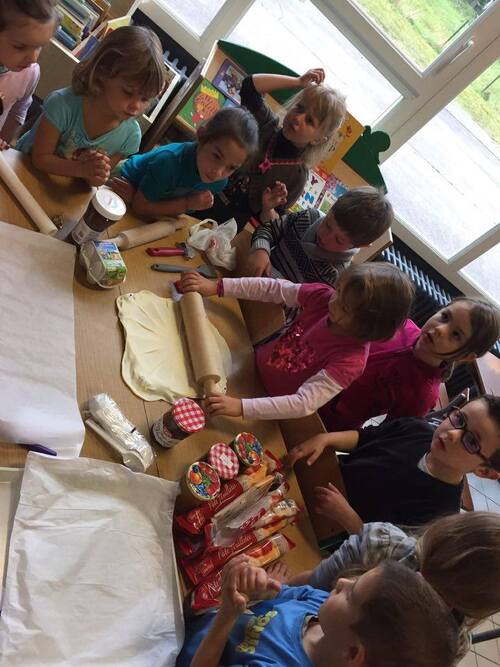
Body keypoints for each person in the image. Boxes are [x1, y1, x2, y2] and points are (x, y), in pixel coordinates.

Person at [179, 262, 414, 420]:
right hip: (246, 367)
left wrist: (240, 407)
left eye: (344, 306)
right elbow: (273, 289)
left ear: (368, 327)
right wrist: (217, 287)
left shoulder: (350, 360)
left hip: (263, 405)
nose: (334, 300)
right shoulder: (324, 297)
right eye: (339, 290)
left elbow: (303, 403)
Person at [270, 512, 500, 661]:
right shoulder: (384, 544)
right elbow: (308, 587)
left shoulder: (445, 649)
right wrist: (277, 589)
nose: (343, 581)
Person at [176, 556, 459, 667]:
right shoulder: (321, 609)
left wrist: (227, 617)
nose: (341, 582)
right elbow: (282, 596)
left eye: (352, 594)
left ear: (352, 654)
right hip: (191, 617)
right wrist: (260, 590)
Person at [287, 395, 500, 527]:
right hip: (316, 482)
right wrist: (326, 438)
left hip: (328, 530)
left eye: (471, 441)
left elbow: (387, 553)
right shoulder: (417, 428)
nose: (453, 434)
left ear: (485, 471)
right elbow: (365, 437)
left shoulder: (440, 512)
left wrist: (347, 517)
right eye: (460, 419)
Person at [197, 68, 347, 232]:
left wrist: (268, 208)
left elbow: (273, 224)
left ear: (319, 139)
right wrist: (297, 82)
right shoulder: (265, 123)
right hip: (199, 193)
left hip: (225, 226)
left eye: (310, 121)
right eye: (299, 107)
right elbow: (249, 86)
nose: (298, 118)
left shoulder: (297, 177)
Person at [319, 296, 500, 430]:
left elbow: (387, 435)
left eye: (456, 335)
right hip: (308, 381)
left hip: (325, 422)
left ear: (467, 356)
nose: (439, 329)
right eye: (445, 317)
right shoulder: (402, 325)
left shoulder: (422, 394)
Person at [15, 25, 166, 186]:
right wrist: (81, 169)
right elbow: (40, 159)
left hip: (60, 190)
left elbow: (95, 182)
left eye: (145, 99)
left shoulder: (130, 136)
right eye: (128, 92)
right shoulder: (62, 105)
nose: (136, 106)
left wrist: (95, 174)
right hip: (23, 172)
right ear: (102, 72)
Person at [111, 106, 259, 220]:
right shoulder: (169, 162)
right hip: (120, 182)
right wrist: (188, 203)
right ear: (201, 136)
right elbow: (140, 207)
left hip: (145, 201)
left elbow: (164, 208)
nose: (218, 172)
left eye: (231, 167)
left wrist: (143, 203)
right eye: (216, 156)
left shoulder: (218, 182)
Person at [244, 186, 394, 285]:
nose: (325, 237)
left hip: (269, 309)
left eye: (339, 240)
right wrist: (261, 250)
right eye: (328, 224)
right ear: (330, 209)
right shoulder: (310, 216)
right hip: (249, 274)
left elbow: (299, 308)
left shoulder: (334, 275)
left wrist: (271, 280)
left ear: (360, 245)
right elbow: (269, 230)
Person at [0, 0, 57, 149]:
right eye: (20, 47)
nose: (33, 59)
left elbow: (18, 111)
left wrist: (5, 141)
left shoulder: (29, 73)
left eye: (39, 47)